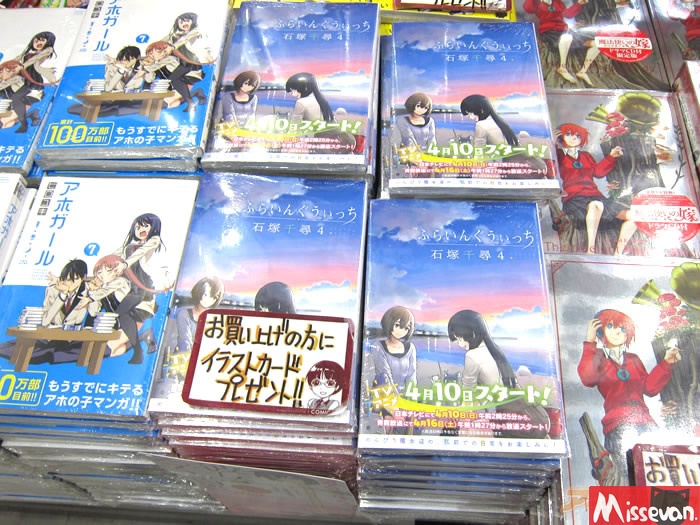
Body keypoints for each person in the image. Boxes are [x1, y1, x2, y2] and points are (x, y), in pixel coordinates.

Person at [577, 309, 681, 481]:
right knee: (629, 476)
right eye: (611, 326)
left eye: (623, 328)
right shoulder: (598, 358)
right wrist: (589, 342)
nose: (618, 332)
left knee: (660, 471)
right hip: (617, 426)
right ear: (600, 330)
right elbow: (587, 378)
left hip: (646, 422)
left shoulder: (633, 359)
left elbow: (649, 388)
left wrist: (666, 363)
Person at [555, 122, 636, 255]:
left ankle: (618, 253)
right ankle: (590, 250)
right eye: (568, 134)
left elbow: (598, 172)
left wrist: (611, 157)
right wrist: (552, 143)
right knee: (596, 205)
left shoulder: (586, 156)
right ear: (561, 136)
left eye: (577, 135)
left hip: (595, 195)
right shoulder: (559, 155)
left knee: (633, 216)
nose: (573, 138)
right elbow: (550, 163)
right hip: (574, 198)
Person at [112, 213, 169, 364]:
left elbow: (140, 253)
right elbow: (113, 256)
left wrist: (125, 264)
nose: (141, 229)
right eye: (137, 227)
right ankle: (143, 339)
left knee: (121, 314)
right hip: (128, 286)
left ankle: (138, 350)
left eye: (145, 226)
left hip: (142, 287)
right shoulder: (128, 246)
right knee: (121, 318)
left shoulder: (153, 241)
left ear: (153, 227)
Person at [522, 0, 601, 86]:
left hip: (563, 30)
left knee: (597, 44)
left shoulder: (557, 3)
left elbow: (567, 14)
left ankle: (583, 71)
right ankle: (562, 68)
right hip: (549, 31)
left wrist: (579, 4)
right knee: (567, 38)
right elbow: (528, 8)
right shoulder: (537, 3)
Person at [447, 309, 517, 391]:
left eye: (460, 339)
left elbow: (468, 389)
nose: (460, 344)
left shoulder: (472, 355)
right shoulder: (495, 350)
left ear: (472, 334)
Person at [12, 31, 57, 132]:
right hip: (21, 76)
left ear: (48, 42)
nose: (38, 43)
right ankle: (30, 115)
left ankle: (24, 121)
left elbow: (35, 59)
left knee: (18, 97)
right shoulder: (27, 53)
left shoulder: (47, 50)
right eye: (35, 41)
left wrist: (22, 66)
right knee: (13, 99)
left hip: (32, 78)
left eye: (42, 40)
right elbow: (16, 59)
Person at [369, 306, 417, 395]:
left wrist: (411, 397)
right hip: (384, 396)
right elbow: (385, 375)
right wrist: (397, 399)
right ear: (389, 323)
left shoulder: (410, 348)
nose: (401, 331)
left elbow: (412, 376)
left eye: (406, 328)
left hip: (404, 397)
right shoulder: (378, 346)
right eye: (397, 325)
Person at [175, 276, 224, 353]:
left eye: (214, 297)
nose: (210, 299)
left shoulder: (215, 320)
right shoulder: (184, 314)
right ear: (199, 292)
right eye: (206, 294)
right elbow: (185, 342)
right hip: (183, 357)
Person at [42, 259, 89, 328]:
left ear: (83, 277)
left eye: (76, 279)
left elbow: (93, 313)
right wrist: (62, 295)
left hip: (75, 332)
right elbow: (45, 322)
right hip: (54, 332)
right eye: (68, 279)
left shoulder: (87, 291)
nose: (71, 283)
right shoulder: (52, 290)